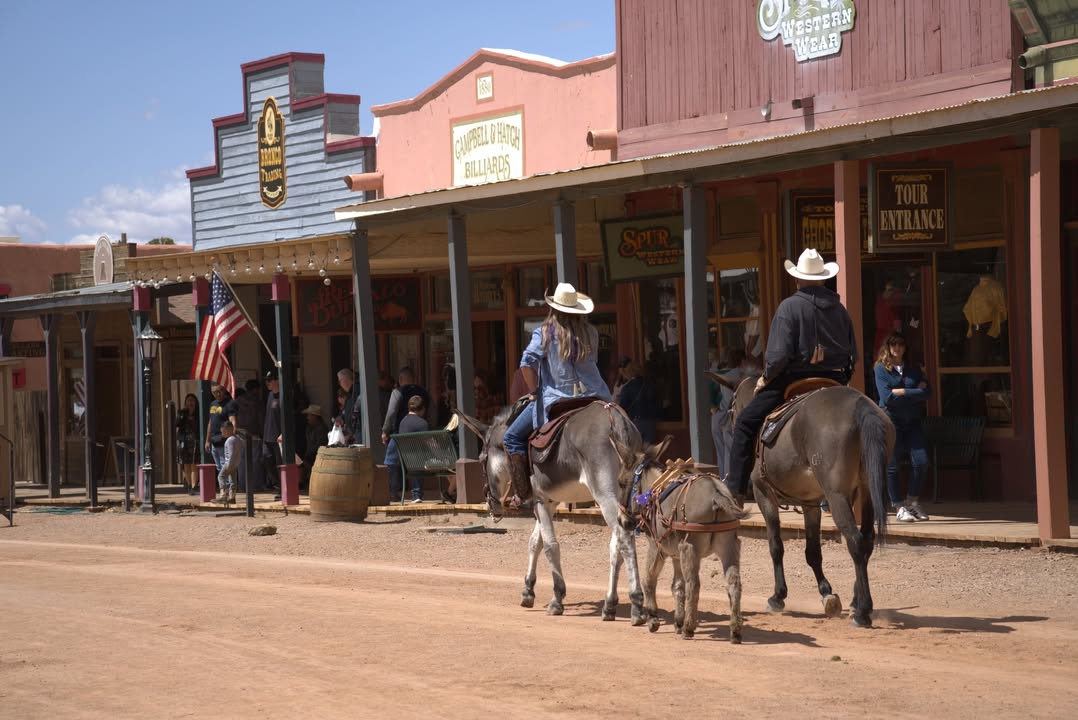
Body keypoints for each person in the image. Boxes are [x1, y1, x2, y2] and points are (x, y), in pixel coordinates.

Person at [726, 248, 857, 501]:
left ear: (798, 279)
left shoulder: (789, 307)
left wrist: (766, 377)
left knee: (743, 423)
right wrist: (844, 377)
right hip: (836, 381)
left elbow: (778, 356)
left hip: (792, 380)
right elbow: (854, 356)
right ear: (822, 278)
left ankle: (736, 490)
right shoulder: (840, 310)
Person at [503, 283, 612, 507]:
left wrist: (534, 392)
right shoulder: (591, 332)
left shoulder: (545, 332)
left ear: (554, 308)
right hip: (596, 396)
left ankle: (523, 494)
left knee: (511, 437)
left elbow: (526, 364)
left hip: (558, 398)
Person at [874, 332, 931, 522]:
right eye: (893, 345)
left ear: (905, 348)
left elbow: (927, 393)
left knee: (921, 461)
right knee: (892, 465)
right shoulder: (881, 369)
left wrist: (904, 391)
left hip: (912, 421)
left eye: (900, 345)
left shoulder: (913, 369)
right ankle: (898, 506)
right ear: (888, 347)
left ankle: (912, 502)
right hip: (892, 421)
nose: (897, 348)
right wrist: (914, 392)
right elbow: (887, 397)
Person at [386, 394, 432, 504]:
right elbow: (429, 443)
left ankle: (394, 492)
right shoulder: (423, 424)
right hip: (418, 461)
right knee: (419, 458)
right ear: (422, 409)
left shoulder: (402, 423)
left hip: (403, 460)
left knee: (415, 458)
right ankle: (416, 494)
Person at [380, 366, 431, 448]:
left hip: (400, 435)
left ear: (400, 379)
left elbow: (391, 412)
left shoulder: (397, 392)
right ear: (414, 379)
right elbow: (433, 412)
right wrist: (429, 426)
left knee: (391, 459)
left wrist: (385, 431)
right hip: (421, 436)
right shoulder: (424, 391)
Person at [616, 357, 658, 443]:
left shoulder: (627, 388)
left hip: (636, 422)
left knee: (637, 452)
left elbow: (622, 407)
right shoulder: (650, 384)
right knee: (649, 451)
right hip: (651, 421)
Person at [234, 378, 264, 492]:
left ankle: (242, 485)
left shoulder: (237, 401)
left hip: (240, 433)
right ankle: (255, 485)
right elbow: (261, 419)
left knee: (241, 461)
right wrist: (262, 433)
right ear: (256, 389)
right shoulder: (257, 402)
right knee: (255, 461)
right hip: (254, 434)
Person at [204, 384, 237, 475]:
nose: (218, 394)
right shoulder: (213, 404)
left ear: (224, 390)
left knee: (225, 465)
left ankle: (229, 487)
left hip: (224, 439)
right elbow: (210, 422)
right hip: (214, 440)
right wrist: (207, 440)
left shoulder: (230, 403)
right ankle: (224, 487)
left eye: (220, 391)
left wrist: (232, 438)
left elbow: (233, 421)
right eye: (214, 392)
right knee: (219, 466)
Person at [299, 404, 329, 491]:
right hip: (310, 453)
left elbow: (320, 445)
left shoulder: (321, 429)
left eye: (309, 415)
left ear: (315, 416)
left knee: (304, 463)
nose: (307, 417)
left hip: (318, 455)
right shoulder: (309, 428)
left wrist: (307, 456)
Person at [174, 393, 200, 495]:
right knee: (186, 465)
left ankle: (194, 486)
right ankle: (189, 485)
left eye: (192, 400)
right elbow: (176, 424)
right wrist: (181, 415)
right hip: (184, 441)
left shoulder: (198, 413)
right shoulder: (182, 412)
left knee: (194, 464)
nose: (190, 402)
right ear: (185, 402)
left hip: (195, 441)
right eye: (188, 400)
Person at [262, 371, 283, 491]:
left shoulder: (283, 395)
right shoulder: (270, 395)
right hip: (267, 435)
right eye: (266, 380)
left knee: (280, 463)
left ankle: (283, 489)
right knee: (266, 459)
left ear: (277, 380)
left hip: (278, 436)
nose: (267, 383)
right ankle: (277, 484)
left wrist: (283, 433)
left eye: (269, 380)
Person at [216, 421, 245, 503]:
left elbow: (231, 454)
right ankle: (232, 497)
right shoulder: (237, 438)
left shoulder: (229, 440)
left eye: (223, 432)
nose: (222, 434)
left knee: (221, 476)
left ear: (227, 430)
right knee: (232, 480)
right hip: (235, 463)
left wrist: (228, 465)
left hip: (229, 463)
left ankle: (223, 495)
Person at [336, 368, 363, 444]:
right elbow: (347, 411)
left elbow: (357, 412)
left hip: (360, 432)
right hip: (354, 434)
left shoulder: (357, 390)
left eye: (340, 381)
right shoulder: (349, 394)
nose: (340, 384)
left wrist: (352, 434)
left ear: (345, 379)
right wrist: (341, 417)